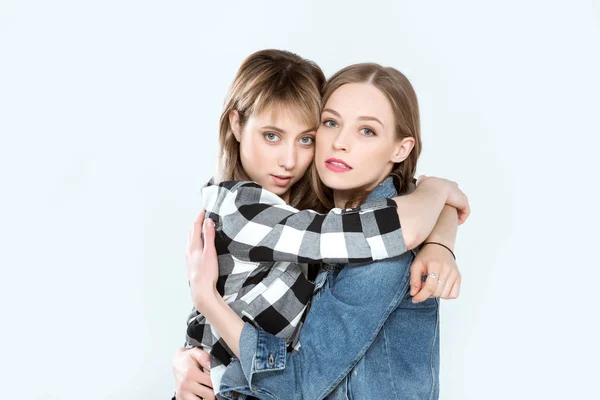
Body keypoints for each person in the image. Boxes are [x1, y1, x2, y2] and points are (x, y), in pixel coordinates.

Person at [185, 62, 468, 399]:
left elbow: (299, 386)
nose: (340, 143)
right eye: (331, 123)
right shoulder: (306, 221)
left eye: (367, 131)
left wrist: (209, 309)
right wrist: (187, 363)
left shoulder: (381, 254)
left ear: (401, 148)